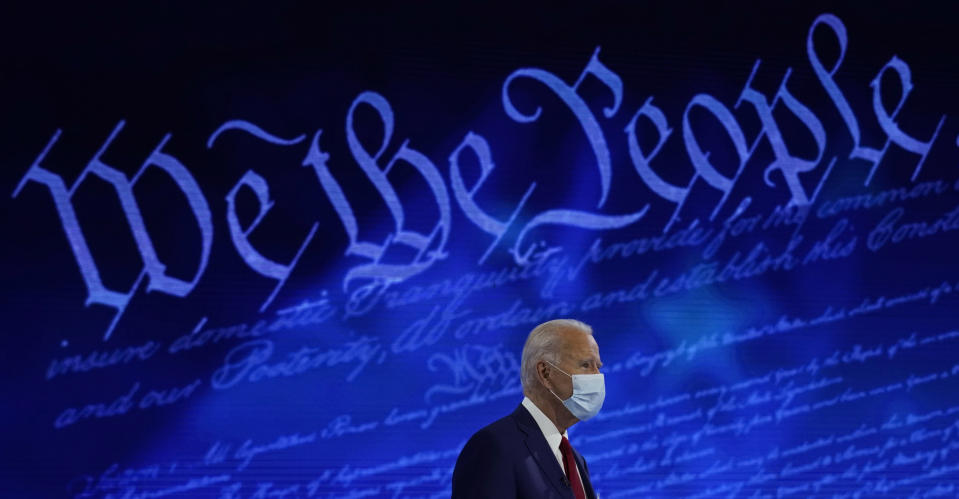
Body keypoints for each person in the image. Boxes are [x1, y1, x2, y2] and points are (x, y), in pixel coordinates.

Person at [452, 319, 604, 499]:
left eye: (598, 367)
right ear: (545, 373)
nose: (597, 376)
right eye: (586, 365)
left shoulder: (576, 461)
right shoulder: (493, 446)